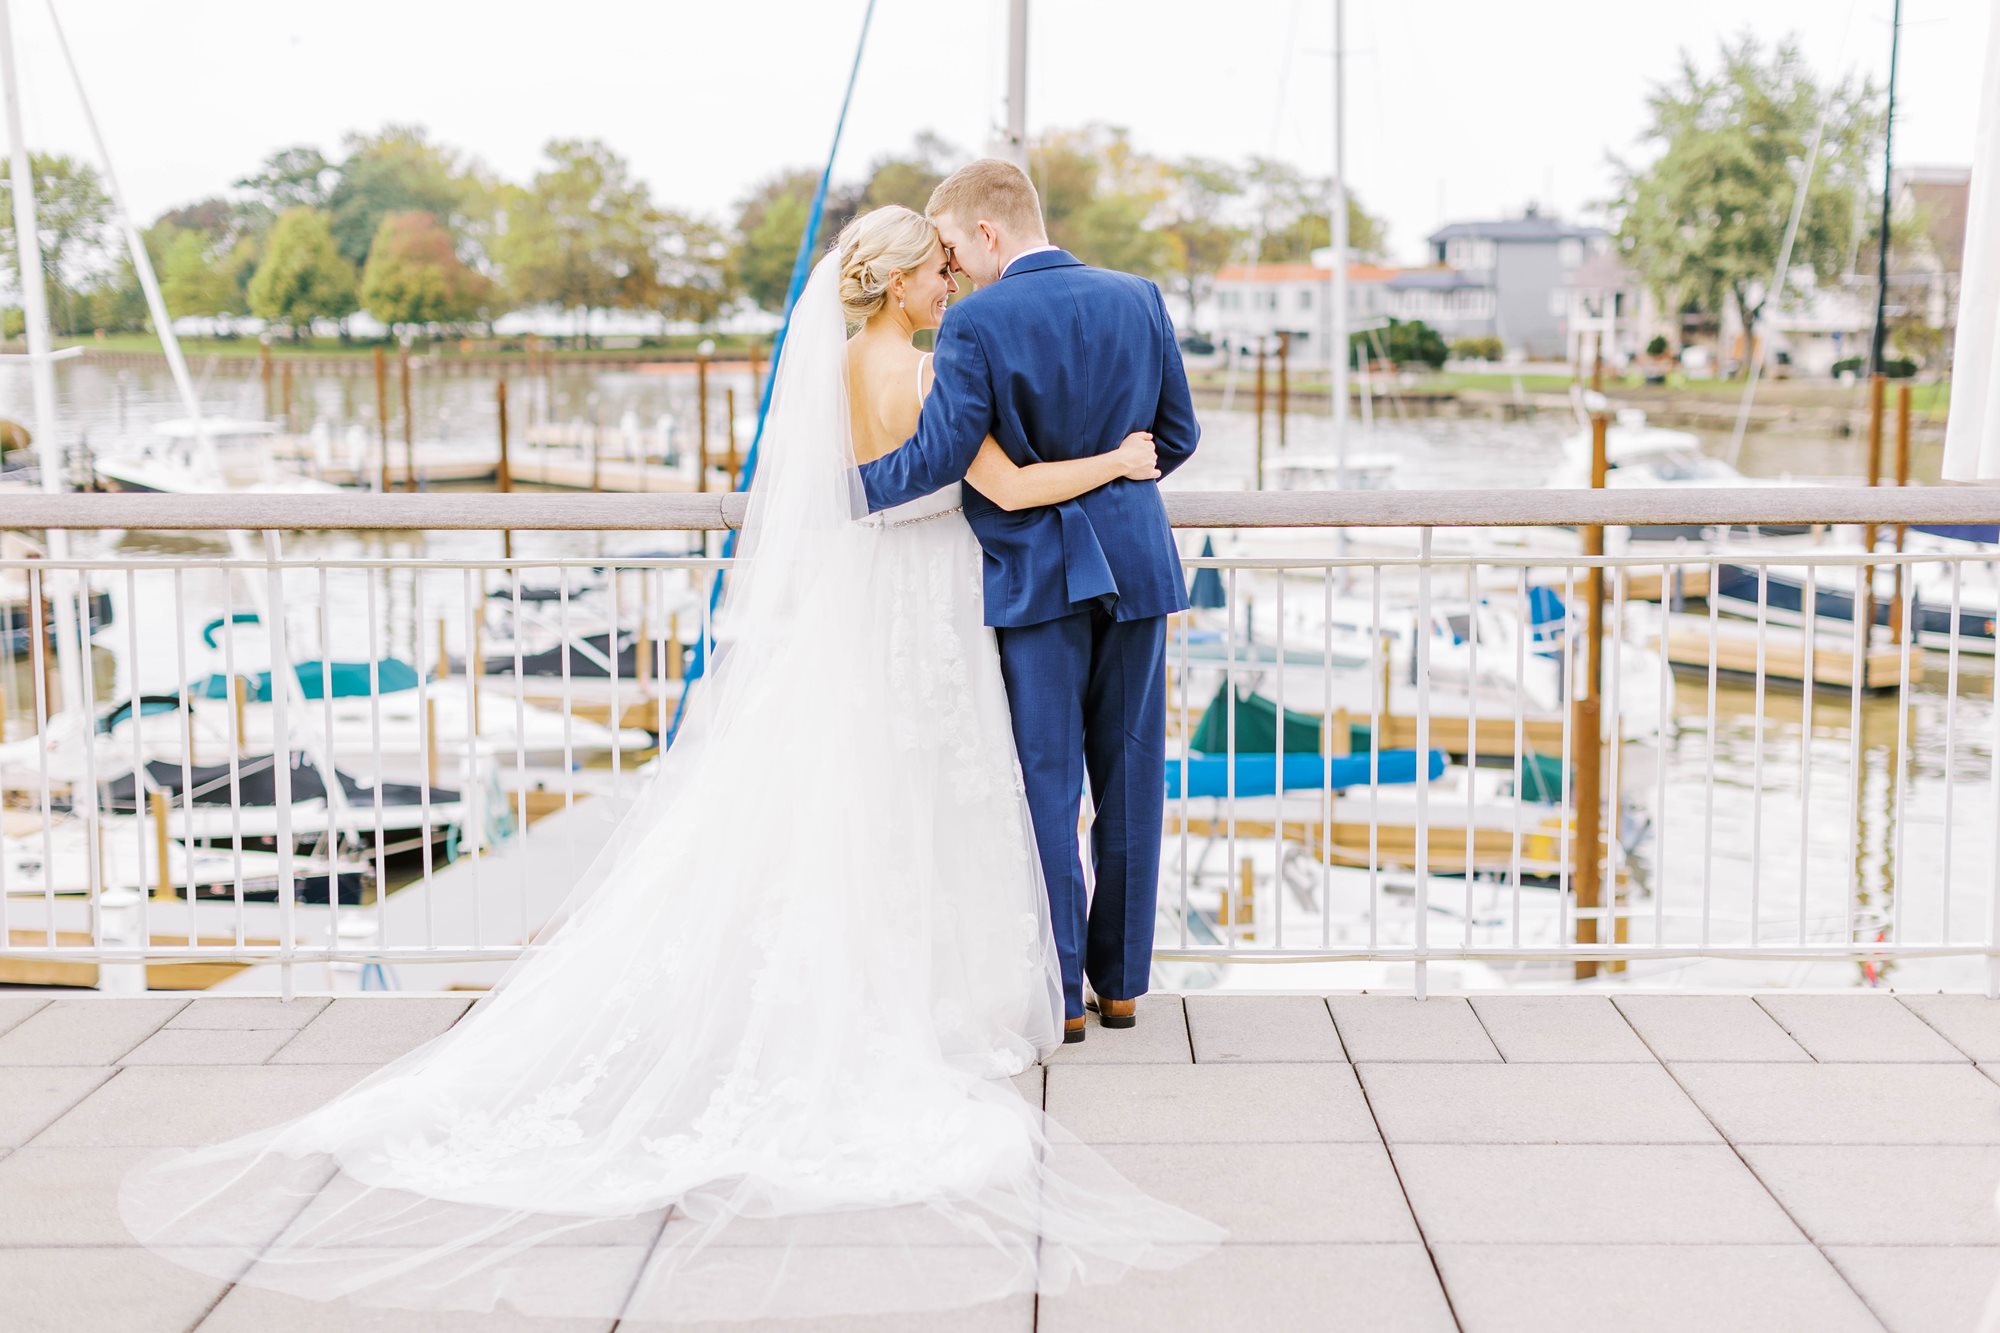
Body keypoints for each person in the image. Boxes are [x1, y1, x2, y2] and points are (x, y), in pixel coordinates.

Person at [116, 196, 1220, 1324]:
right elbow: (966, 479)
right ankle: (1078, 982)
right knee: (1024, 783)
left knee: (963, 789)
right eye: (934, 269)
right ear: (901, 281)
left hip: (938, 596)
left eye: (951, 258)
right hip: (991, 580)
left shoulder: (890, 356)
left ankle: (1008, 986)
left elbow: (893, 484)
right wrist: (1117, 459)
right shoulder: (995, 344)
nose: (951, 281)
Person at [858, 158, 1200, 1040]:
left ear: (987, 233)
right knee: (1130, 780)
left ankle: (1061, 990)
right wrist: (1109, 485)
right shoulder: (1141, 295)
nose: (954, 271)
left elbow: (939, 457)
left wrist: (844, 495)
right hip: (1135, 567)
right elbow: (1177, 436)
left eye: (951, 250)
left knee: (1046, 785)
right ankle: (1121, 987)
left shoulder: (976, 321)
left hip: (1035, 578)